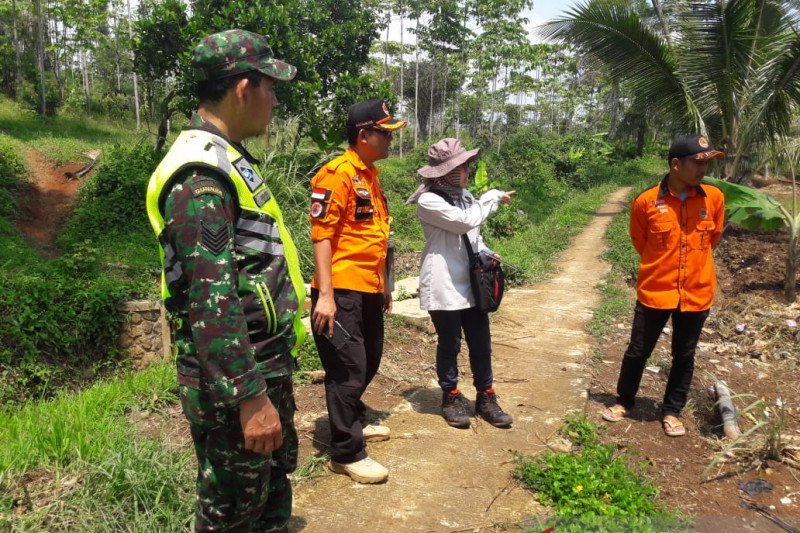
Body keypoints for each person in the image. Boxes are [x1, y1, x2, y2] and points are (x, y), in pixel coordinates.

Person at [145, 29, 306, 531]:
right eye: (270, 87)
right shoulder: (199, 175)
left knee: (269, 497)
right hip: (239, 383)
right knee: (234, 510)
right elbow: (210, 302)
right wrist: (249, 396)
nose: (275, 100)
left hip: (264, 365)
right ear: (243, 88)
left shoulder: (227, 157)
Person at [309, 99, 407, 484]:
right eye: (385, 133)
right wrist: (327, 296)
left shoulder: (370, 175)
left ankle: (351, 418)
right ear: (363, 136)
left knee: (370, 360)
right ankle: (346, 452)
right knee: (348, 371)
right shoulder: (336, 174)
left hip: (368, 287)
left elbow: (375, 237)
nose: (390, 140)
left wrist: (384, 287)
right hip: (342, 288)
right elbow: (322, 237)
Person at [601, 134, 725, 437]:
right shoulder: (645, 201)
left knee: (684, 355)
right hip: (656, 290)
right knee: (638, 350)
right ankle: (624, 401)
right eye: (697, 162)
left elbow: (714, 237)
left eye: (707, 162)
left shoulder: (714, 198)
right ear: (675, 164)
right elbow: (640, 241)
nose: (703, 169)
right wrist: (664, 264)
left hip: (697, 291)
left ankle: (671, 410)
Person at [405, 138, 515, 429]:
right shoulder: (429, 201)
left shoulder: (465, 197)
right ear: (447, 172)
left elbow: (471, 236)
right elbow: (464, 222)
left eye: (467, 166)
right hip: (443, 283)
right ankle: (450, 395)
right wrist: (490, 197)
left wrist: (487, 252)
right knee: (449, 343)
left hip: (470, 280)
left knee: (481, 342)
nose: (467, 171)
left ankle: (486, 396)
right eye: (462, 166)